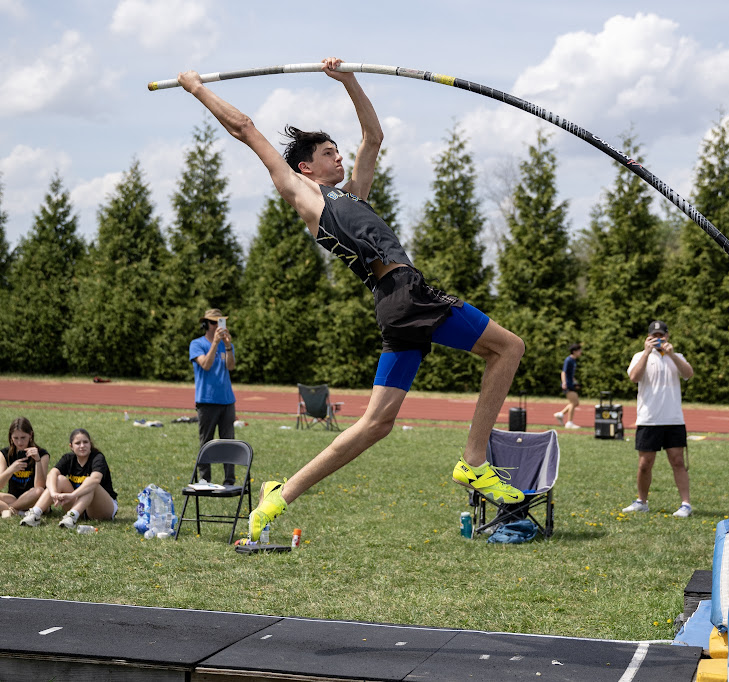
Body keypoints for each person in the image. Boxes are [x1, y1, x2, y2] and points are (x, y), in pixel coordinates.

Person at [177, 57, 526, 542]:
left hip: (395, 303)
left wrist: (349, 81)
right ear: (305, 166)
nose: (338, 158)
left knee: (376, 424)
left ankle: (278, 495)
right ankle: (472, 460)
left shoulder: (354, 197)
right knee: (509, 348)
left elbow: (373, 137)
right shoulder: (303, 194)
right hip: (406, 292)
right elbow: (245, 127)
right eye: (327, 152)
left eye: (338, 151)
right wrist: (196, 88)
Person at [622, 320, 694, 518]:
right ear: (648, 338)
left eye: (661, 335)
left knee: (678, 461)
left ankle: (686, 504)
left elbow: (688, 374)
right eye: (654, 336)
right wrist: (646, 353)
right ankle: (641, 501)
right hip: (648, 419)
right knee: (645, 464)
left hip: (673, 419)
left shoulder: (676, 356)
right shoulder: (640, 356)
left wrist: (672, 355)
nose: (658, 339)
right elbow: (634, 377)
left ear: (668, 336)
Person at [19, 428, 117, 528]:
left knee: (90, 483)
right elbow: (51, 474)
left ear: (90, 444)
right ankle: (35, 514)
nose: (82, 446)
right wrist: (53, 493)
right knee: (59, 479)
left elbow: (95, 479)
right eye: (78, 443)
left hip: (101, 507)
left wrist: (72, 495)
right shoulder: (68, 458)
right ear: (71, 446)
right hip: (80, 506)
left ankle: (72, 516)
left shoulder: (97, 457)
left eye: (85, 442)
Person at [190, 308, 236, 485]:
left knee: (228, 442)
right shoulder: (197, 344)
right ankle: (204, 478)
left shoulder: (226, 344)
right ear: (206, 324)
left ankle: (229, 479)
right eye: (213, 322)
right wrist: (215, 344)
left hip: (227, 400)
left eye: (220, 322)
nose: (217, 325)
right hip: (207, 401)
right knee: (206, 441)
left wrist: (228, 346)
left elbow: (231, 367)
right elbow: (205, 365)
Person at [0, 417, 50, 518]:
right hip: (14, 498)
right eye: (15, 438)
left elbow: (40, 486)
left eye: (23, 438)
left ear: (30, 435)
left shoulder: (42, 454)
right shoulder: (4, 454)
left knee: (39, 491)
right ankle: (18, 512)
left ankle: (9, 509)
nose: (19, 443)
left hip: (34, 498)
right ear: (11, 437)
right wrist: (11, 469)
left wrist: (38, 461)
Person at [554, 344, 582, 429]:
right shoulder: (568, 360)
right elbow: (563, 372)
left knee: (575, 403)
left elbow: (571, 374)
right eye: (579, 350)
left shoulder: (574, 361)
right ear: (574, 351)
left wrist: (575, 382)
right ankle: (569, 423)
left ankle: (561, 414)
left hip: (571, 383)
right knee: (574, 402)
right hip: (567, 384)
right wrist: (564, 383)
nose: (581, 352)